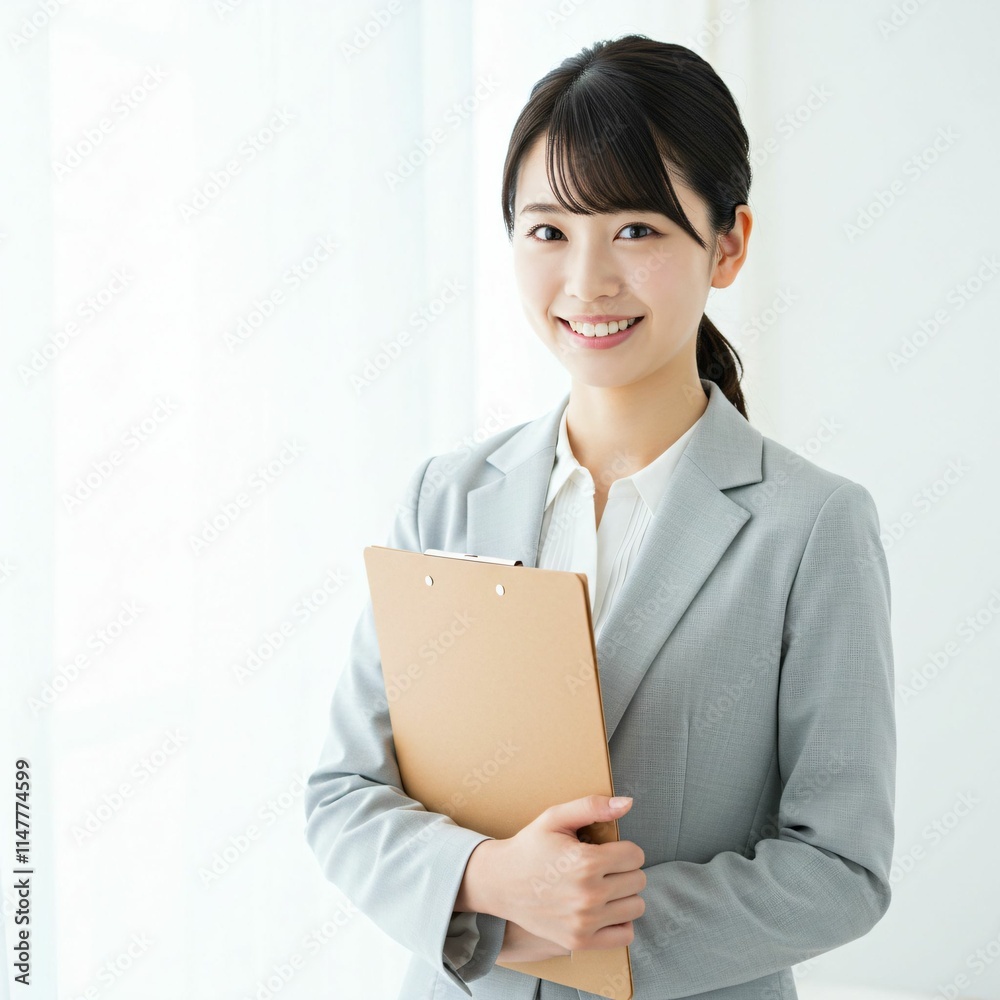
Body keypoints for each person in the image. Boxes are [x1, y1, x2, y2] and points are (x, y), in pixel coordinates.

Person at [303, 34, 895, 1000]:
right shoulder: (444, 497)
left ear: (729, 243)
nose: (587, 281)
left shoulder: (813, 525)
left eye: (636, 230)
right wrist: (488, 885)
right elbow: (344, 794)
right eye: (548, 232)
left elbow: (842, 867)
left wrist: (592, 931)